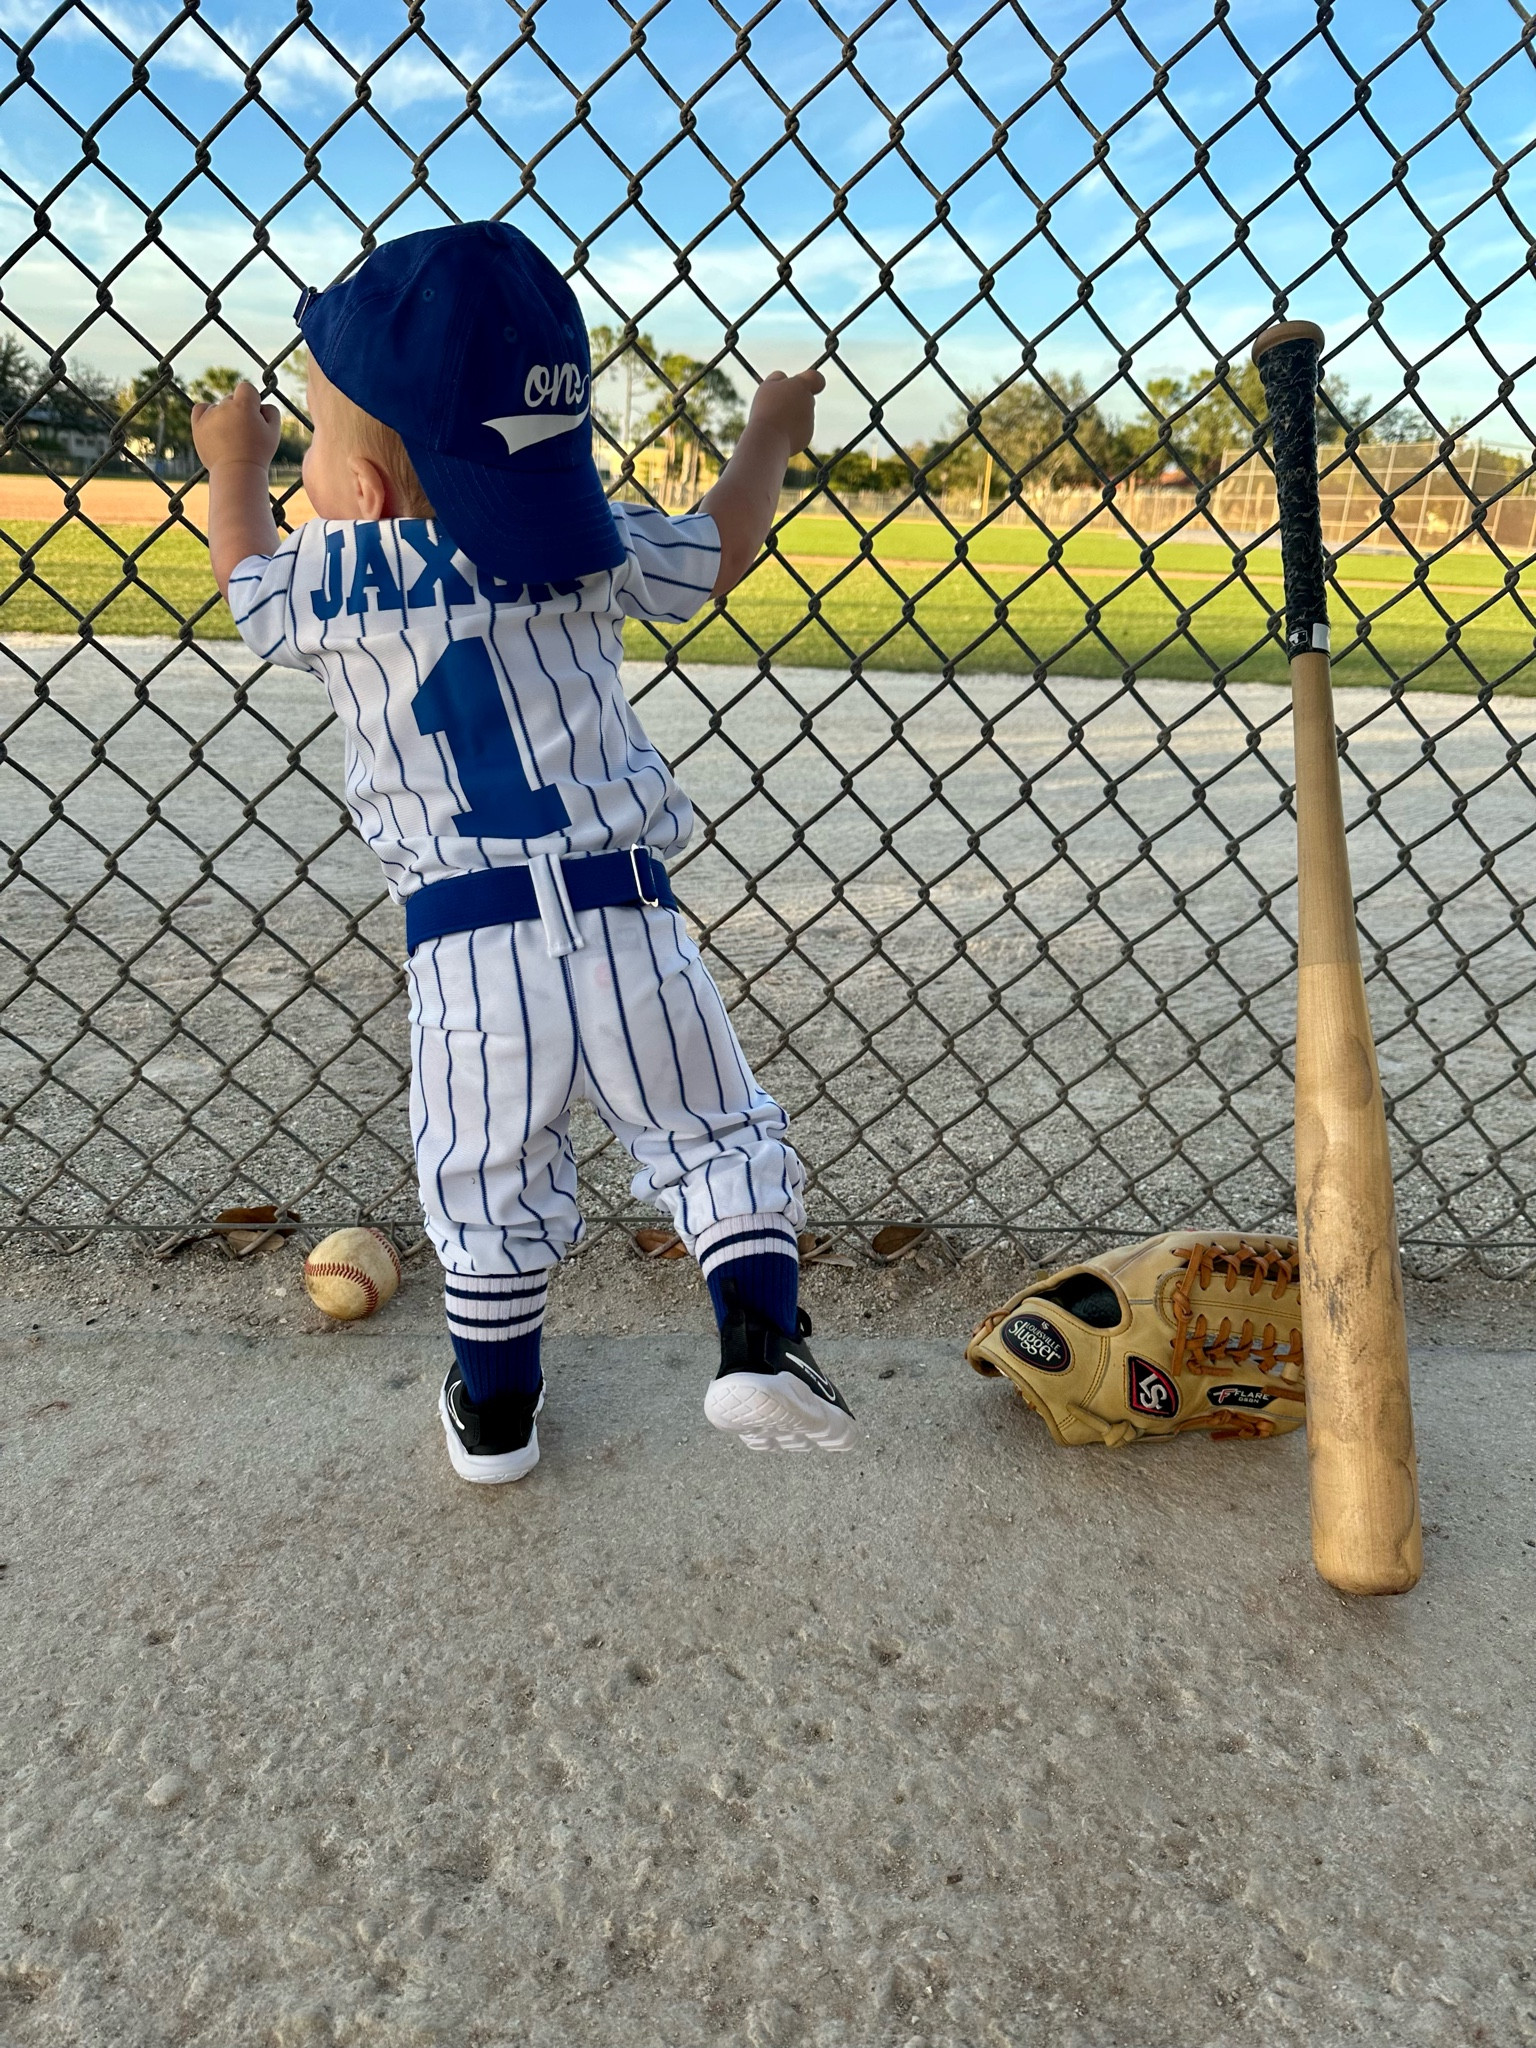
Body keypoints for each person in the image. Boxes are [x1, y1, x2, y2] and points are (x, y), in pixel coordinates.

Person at [191, 219, 855, 1484]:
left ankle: (496, 1413)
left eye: (320, 449)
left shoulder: (327, 579)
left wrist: (236, 460)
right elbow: (725, 546)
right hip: (627, 912)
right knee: (714, 1133)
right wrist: (769, 430)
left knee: (483, 1177)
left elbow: (243, 570)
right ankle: (759, 1335)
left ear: (368, 493)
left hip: (465, 945)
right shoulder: (583, 543)